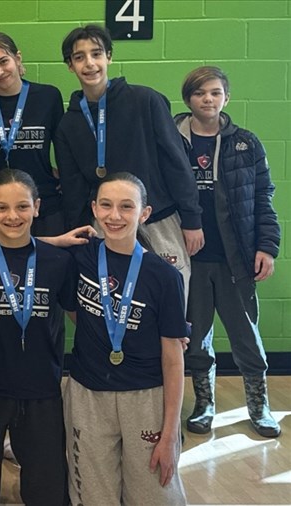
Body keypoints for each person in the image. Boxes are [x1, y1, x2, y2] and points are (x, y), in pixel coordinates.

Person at [0, 169, 77, 505]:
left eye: (22, 207)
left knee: (47, 490)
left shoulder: (58, 261)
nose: (12, 216)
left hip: (41, 388)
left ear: (37, 207)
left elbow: (81, 315)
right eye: (2, 208)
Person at [54, 25, 202, 301]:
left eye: (96, 54)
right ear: (70, 66)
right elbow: (73, 189)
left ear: (109, 56)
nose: (90, 63)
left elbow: (176, 162)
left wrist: (192, 219)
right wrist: (80, 236)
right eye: (79, 57)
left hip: (159, 219)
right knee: (115, 303)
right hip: (107, 223)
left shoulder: (146, 100)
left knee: (171, 300)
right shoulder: (68, 124)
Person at [65, 172, 187, 505]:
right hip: (88, 394)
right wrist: (62, 239)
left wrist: (171, 432)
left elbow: (174, 358)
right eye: (105, 205)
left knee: (155, 493)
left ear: (144, 213)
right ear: (94, 208)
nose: (114, 216)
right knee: (92, 494)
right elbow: (24, 246)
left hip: (145, 397)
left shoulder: (164, 277)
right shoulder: (81, 256)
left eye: (126, 207)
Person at [174, 66, 281, 438]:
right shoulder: (171, 140)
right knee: (197, 336)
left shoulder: (246, 143)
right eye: (201, 93)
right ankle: (205, 404)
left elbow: (264, 199)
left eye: (216, 93)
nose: (208, 99)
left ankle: (259, 405)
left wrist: (267, 246)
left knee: (245, 336)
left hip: (235, 258)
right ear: (188, 98)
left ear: (226, 98)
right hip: (190, 261)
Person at [0, 32, 66, 236]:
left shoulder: (49, 96)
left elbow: (63, 149)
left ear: (17, 58)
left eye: (3, 61)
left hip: (44, 201)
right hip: (0, 208)